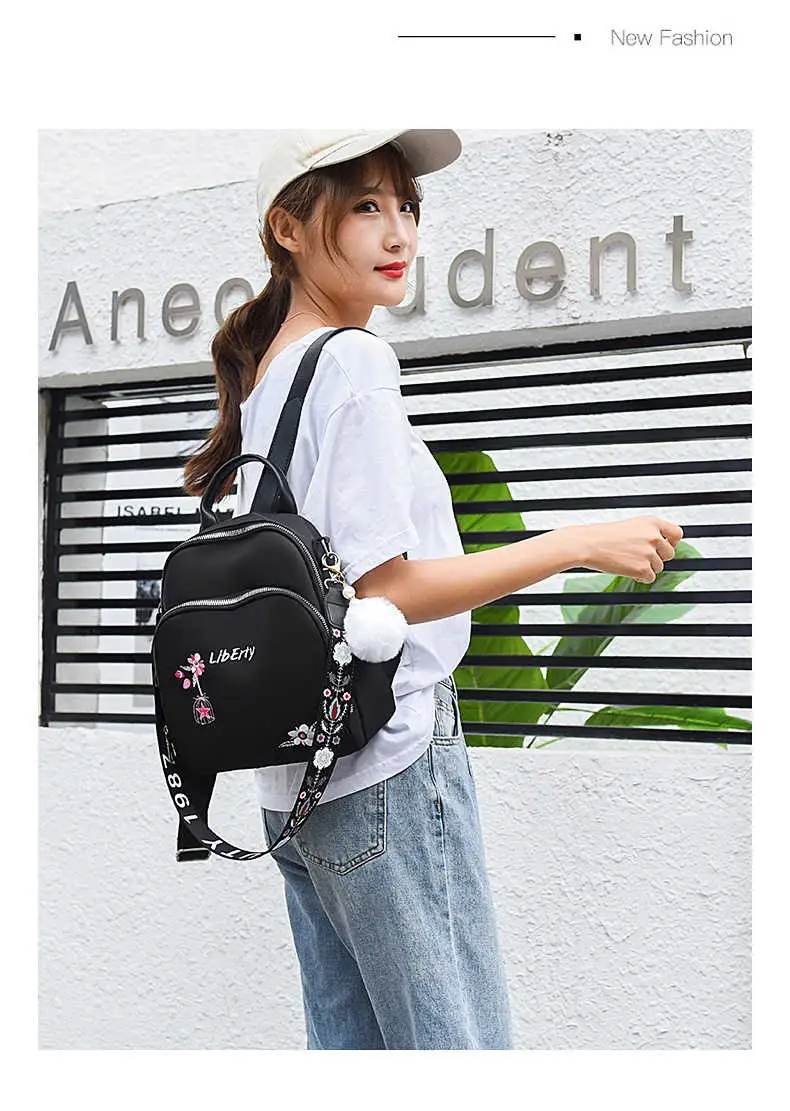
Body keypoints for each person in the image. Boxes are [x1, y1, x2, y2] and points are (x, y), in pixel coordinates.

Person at [182, 130, 684, 1050]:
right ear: (287, 228)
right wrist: (575, 544)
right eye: (366, 206)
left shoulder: (271, 376)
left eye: (407, 206)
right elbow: (392, 587)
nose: (399, 232)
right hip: (384, 759)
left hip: (294, 785)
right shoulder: (352, 362)